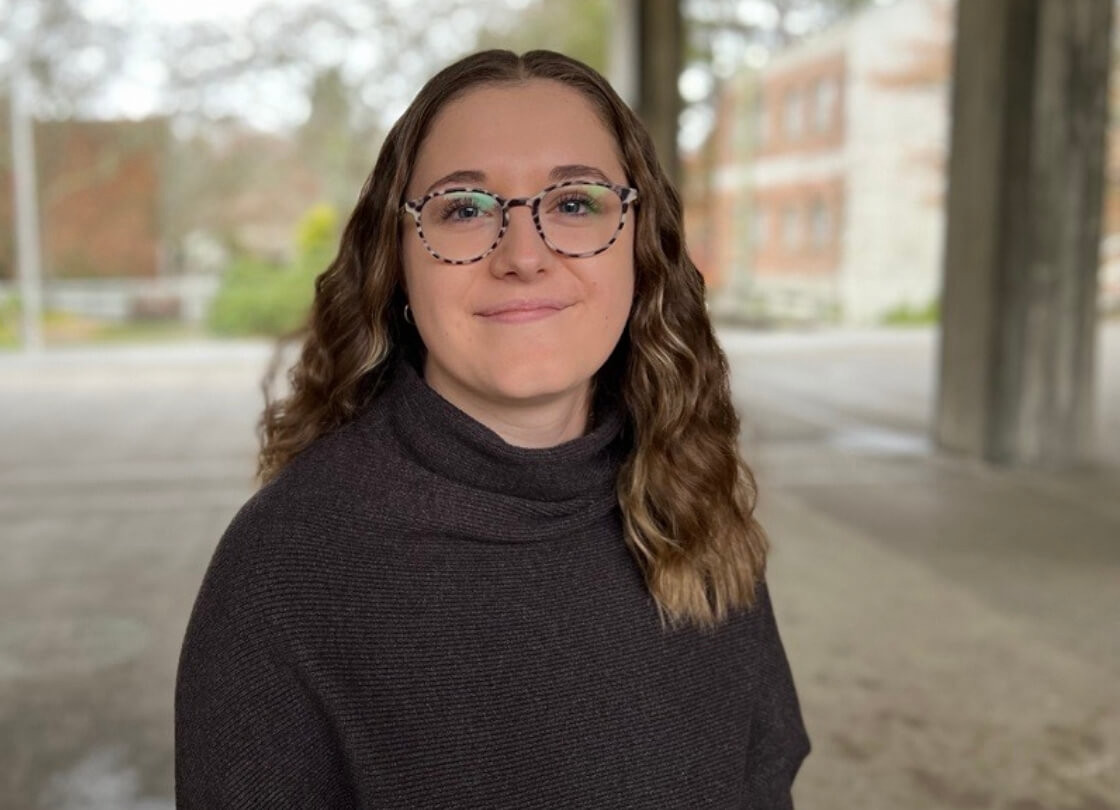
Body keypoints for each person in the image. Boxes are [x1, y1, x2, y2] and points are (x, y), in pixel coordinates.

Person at [174, 48, 810, 808]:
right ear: (398, 261)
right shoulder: (287, 569)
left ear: (642, 246)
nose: (523, 256)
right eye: (464, 209)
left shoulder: (693, 495)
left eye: (575, 202)